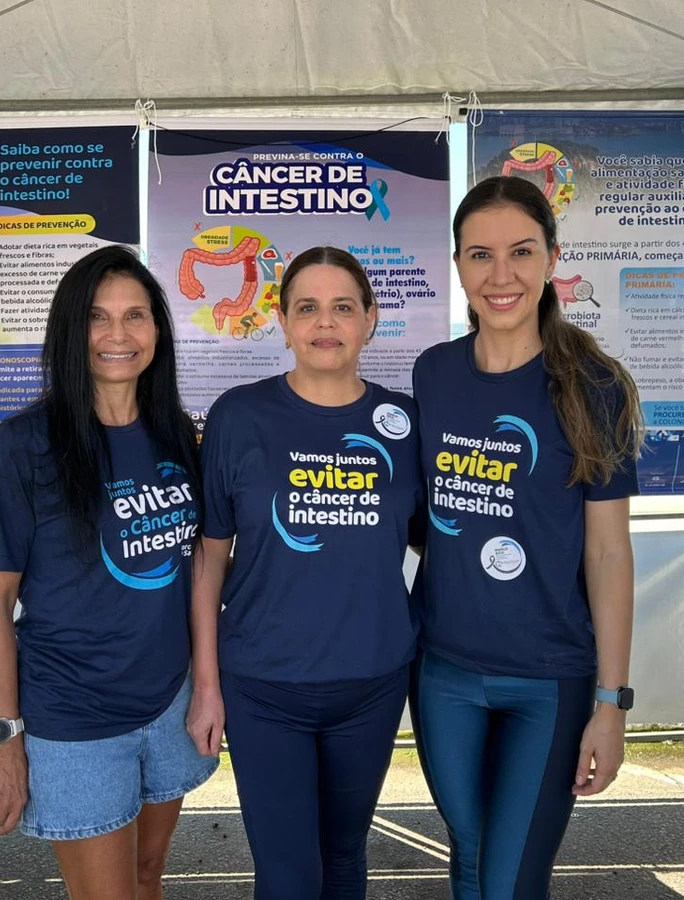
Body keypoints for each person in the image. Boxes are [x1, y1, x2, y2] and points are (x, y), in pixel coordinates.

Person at [410, 176, 643, 899]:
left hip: (551, 678)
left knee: (511, 880)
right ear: (457, 265)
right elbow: (422, 516)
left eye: (521, 252)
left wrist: (612, 703)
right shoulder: (434, 373)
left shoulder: (593, 383)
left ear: (551, 259)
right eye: (480, 255)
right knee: (472, 858)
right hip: (443, 671)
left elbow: (608, 553)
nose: (500, 275)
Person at [0, 246, 217, 900]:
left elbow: (199, 571)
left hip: (169, 703)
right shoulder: (23, 448)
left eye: (135, 316)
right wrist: (6, 742)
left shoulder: (177, 438)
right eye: (98, 318)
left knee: (146, 877)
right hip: (75, 719)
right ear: (70, 332)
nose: (117, 334)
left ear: (157, 332)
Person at [187, 246, 424, 900]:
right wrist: (206, 685)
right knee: (289, 877)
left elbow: (443, 542)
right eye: (308, 308)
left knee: (344, 861)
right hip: (264, 688)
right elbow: (210, 557)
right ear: (283, 321)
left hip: (372, 684)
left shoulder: (406, 425)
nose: (326, 323)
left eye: (343, 307)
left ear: (369, 319)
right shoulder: (239, 416)